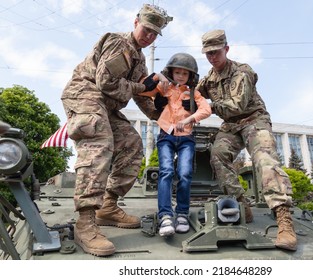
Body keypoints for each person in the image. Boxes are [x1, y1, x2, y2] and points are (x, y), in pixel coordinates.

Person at [60, 4, 173, 256]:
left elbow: (143, 97)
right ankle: (85, 222)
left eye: (155, 33)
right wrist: (143, 87)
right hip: (86, 94)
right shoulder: (118, 43)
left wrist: (161, 111)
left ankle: (107, 207)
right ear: (135, 23)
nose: (149, 36)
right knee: (99, 140)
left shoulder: (139, 59)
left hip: (107, 105)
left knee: (132, 143)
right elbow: (106, 82)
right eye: (146, 29)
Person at [196, 29, 297, 251]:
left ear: (226, 49)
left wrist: (206, 106)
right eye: (208, 54)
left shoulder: (243, 72)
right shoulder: (209, 80)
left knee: (264, 159)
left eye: (216, 52)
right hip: (231, 126)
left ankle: (283, 219)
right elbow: (192, 91)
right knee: (218, 156)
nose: (212, 57)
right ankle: (241, 203)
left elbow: (237, 105)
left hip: (254, 120)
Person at [138, 53, 211, 237]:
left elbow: (206, 110)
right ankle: (165, 216)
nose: (180, 76)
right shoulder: (165, 88)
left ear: (190, 76)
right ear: (171, 72)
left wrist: (189, 119)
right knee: (166, 172)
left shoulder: (194, 94)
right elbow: (142, 89)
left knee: (185, 173)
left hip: (186, 137)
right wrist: (159, 77)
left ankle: (182, 214)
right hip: (166, 135)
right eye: (177, 72)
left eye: (184, 74)